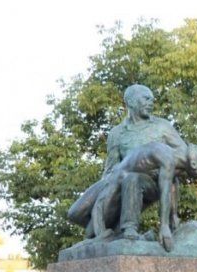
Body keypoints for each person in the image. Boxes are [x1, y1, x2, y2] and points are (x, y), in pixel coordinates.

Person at [66, 84, 188, 250]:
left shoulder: (162, 127)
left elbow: (183, 156)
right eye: (146, 98)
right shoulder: (117, 133)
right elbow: (111, 168)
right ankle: (113, 232)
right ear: (130, 101)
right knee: (75, 214)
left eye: (152, 99)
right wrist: (106, 194)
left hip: (153, 182)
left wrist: (171, 215)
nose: (151, 102)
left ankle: (129, 229)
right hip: (120, 178)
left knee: (133, 178)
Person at [86, 141, 197, 244]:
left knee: (165, 180)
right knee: (89, 230)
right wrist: (164, 227)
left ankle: (169, 222)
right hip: (115, 189)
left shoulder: (177, 165)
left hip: (133, 187)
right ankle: (129, 227)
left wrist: (173, 217)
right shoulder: (167, 157)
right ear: (194, 164)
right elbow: (164, 192)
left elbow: (171, 187)